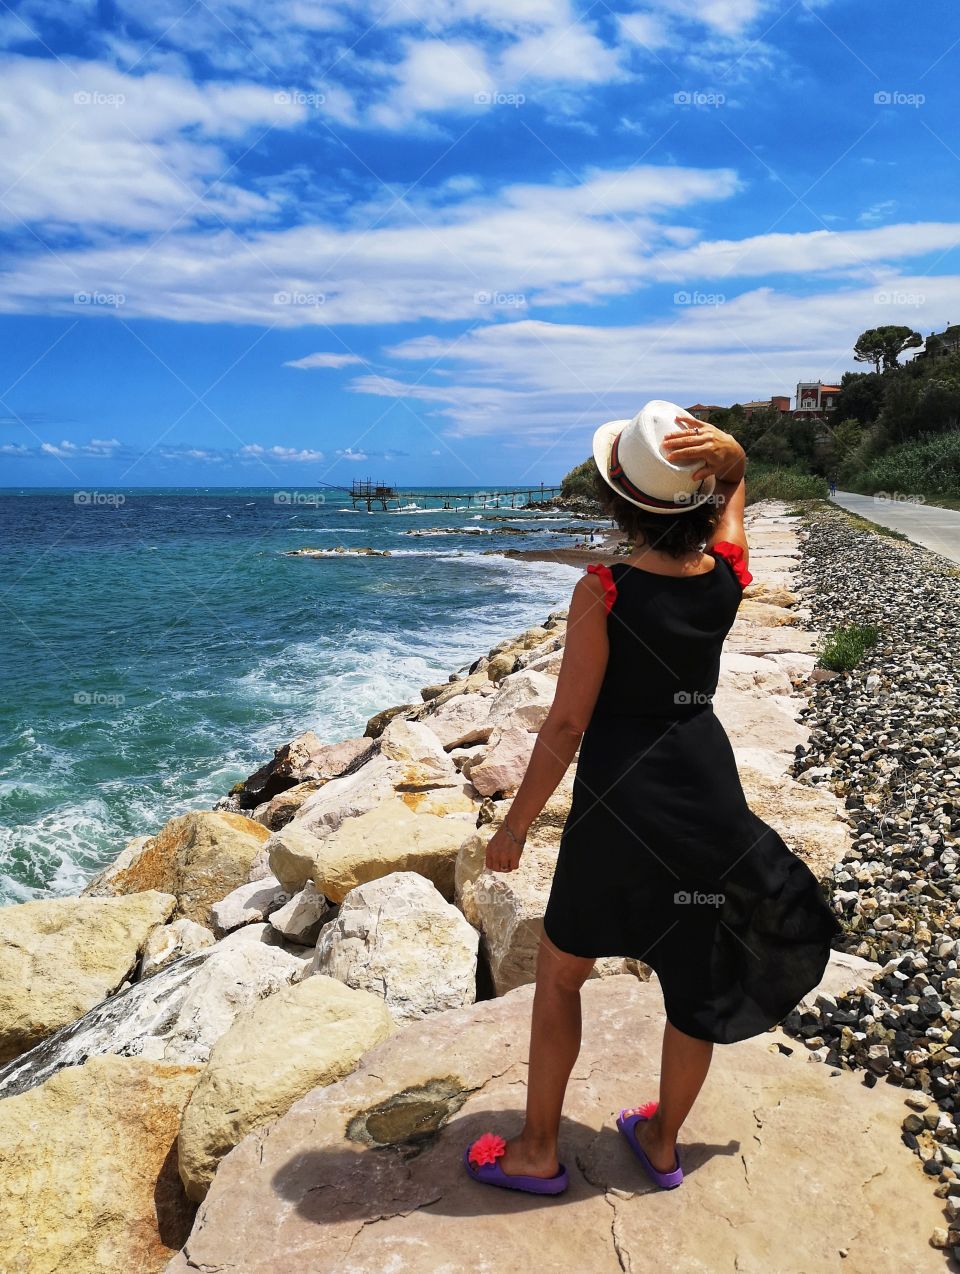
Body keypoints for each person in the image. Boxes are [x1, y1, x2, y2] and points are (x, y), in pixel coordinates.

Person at [463, 400, 842, 1196]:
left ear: (616, 503)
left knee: (563, 973)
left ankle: (538, 1151)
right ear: (698, 498)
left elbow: (566, 725)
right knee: (693, 980)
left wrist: (516, 824)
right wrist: (732, 464)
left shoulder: (604, 590)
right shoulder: (728, 579)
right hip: (706, 795)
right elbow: (734, 509)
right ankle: (663, 1142)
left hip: (618, 805)